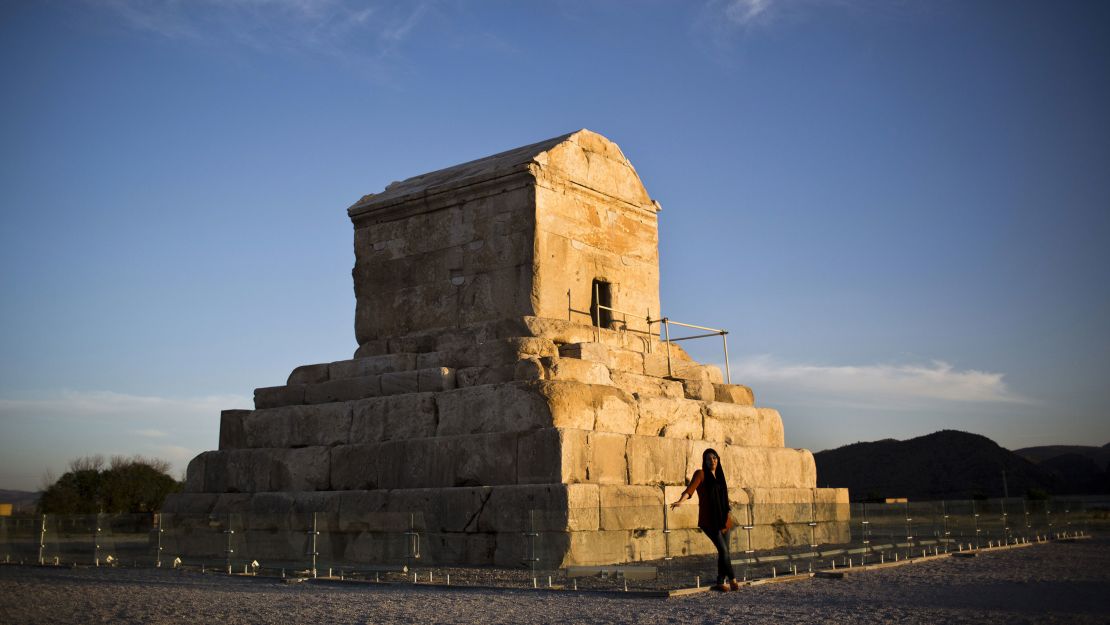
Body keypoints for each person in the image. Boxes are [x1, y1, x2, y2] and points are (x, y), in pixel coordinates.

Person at [670, 448, 739, 591]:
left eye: (714, 458)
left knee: (725, 552)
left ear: (718, 459)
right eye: (708, 459)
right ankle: (732, 579)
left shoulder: (720, 476)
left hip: (724, 519)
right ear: (704, 461)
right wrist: (680, 501)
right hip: (709, 520)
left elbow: (723, 495)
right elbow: (691, 490)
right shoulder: (701, 474)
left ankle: (720, 581)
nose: (712, 461)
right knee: (723, 550)